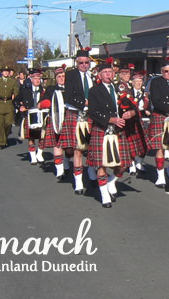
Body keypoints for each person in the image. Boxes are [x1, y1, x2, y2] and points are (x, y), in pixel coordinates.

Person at [87, 62, 139, 207]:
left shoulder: (119, 89)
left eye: (110, 72)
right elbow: (92, 112)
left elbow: (133, 106)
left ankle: (110, 181)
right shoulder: (94, 91)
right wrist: (111, 119)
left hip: (118, 130)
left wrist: (131, 113)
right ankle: (104, 196)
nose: (109, 75)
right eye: (105, 72)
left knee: (124, 164)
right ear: (99, 75)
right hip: (102, 129)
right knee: (102, 165)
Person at [147, 59, 169, 189]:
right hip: (161, 116)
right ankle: (160, 176)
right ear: (161, 72)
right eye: (165, 71)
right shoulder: (156, 82)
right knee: (161, 147)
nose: (168, 73)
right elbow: (156, 100)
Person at [63, 49, 95, 195]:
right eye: (81, 62)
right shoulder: (70, 75)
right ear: (77, 63)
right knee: (78, 149)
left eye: (86, 62)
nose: (84, 65)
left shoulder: (92, 76)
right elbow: (68, 96)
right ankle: (78, 182)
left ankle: (92, 173)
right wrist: (84, 102)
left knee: (92, 147)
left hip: (91, 115)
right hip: (75, 113)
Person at [16, 68, 47, 164]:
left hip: (42, 116)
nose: (37, 80)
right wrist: (20, 106)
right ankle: (33, 156)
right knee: (31, 137)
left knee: (43, 136)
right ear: (31, 79)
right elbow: (16, 100)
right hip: (29, 116)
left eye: (39, 78)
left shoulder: (44, 91)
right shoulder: (25, 90)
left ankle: (40, 154)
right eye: (35, 78)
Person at [0, 65, 20, 149]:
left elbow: (16, 93)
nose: (6, 72)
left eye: (7, 71)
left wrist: (16, 105)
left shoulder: (13, 81)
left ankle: (4, 137)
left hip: (9, 104)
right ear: (1, 72)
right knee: (0, 124)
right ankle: (2, 142)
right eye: (4, 71)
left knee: (8, 123)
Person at [129, 70, 151, 175]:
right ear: (132, 82)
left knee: (145, 144)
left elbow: (149, 106)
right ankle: (132, 165)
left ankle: (139, 162)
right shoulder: (128, 93)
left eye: (140, 81)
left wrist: (148, 111)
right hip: (132, 121)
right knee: (133, 144)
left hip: (144, 120)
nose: (138, 83)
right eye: (136, 81)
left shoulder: (145, 94)